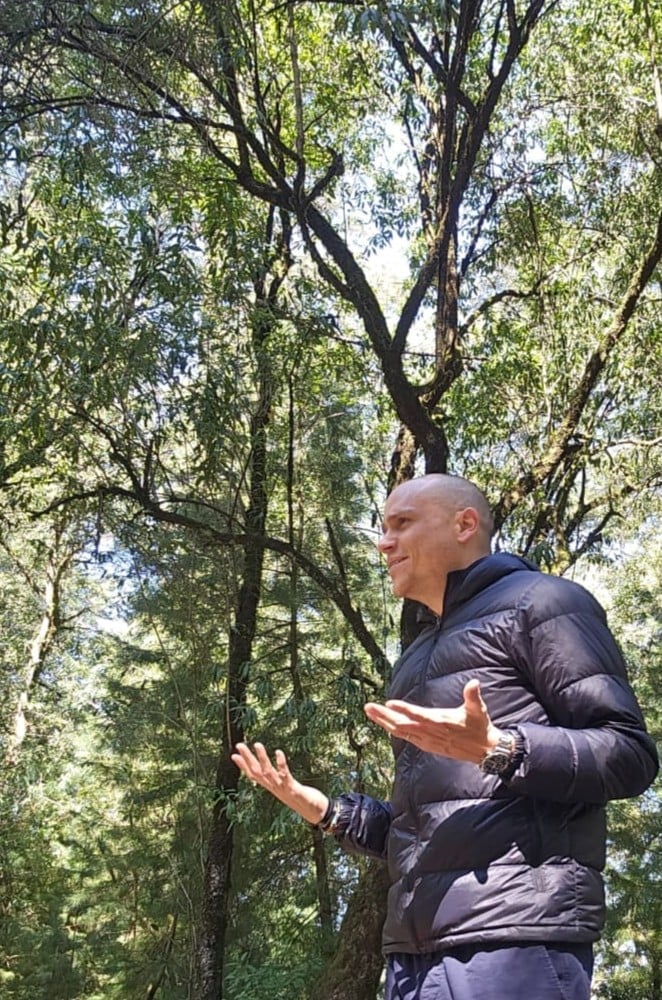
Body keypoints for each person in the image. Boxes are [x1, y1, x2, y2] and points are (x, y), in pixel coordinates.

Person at [232, 474, 659, 1000]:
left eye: (402, 524)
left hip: (515, 941)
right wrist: (325, 809)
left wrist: (501, 748)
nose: (383, 543)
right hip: (413, 956)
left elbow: (630, 755)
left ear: (465, 524)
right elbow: (426, 825)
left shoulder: (544, 601)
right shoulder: (413, 657)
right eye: (382, 529)